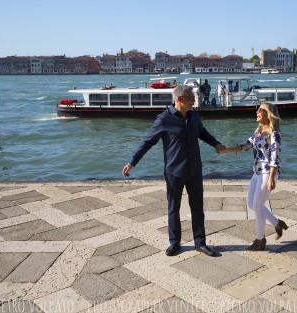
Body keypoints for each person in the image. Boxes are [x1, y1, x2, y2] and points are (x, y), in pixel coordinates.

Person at [122, 84, 224, 257]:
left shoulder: (194, 116)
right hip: (174, 172)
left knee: (197, 208)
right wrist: (133, 162)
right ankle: (174, 243)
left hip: (194, 170)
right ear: (180, 99)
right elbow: (148, 142)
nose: (194, 101)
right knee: (173, 208)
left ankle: (200, 243)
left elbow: (203, 132)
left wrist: (216, 144)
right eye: (191, 98)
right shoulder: (164, 119)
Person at [219, 102, 288, 251]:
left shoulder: (274, 133)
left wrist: (271, 178)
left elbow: (275, 157)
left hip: (267, 174)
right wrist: (226, 150)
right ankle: (277, 223)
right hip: (257, 173)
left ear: (268, 114)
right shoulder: (257, 133)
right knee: (251, 204)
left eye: (260, 109)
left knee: (257, 206)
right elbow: (245, 145)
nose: (257, 112)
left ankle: (260, 239)